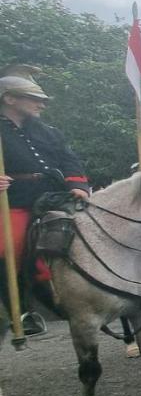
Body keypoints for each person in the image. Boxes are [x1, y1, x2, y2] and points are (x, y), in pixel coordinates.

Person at [0, 67, 91, 276]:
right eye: (34, 99)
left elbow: (70, 160)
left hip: (56, 195)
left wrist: (77, 186)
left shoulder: (49, 132)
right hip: (14, 199)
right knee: (9, 246)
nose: (41, 104)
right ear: (10, 99)